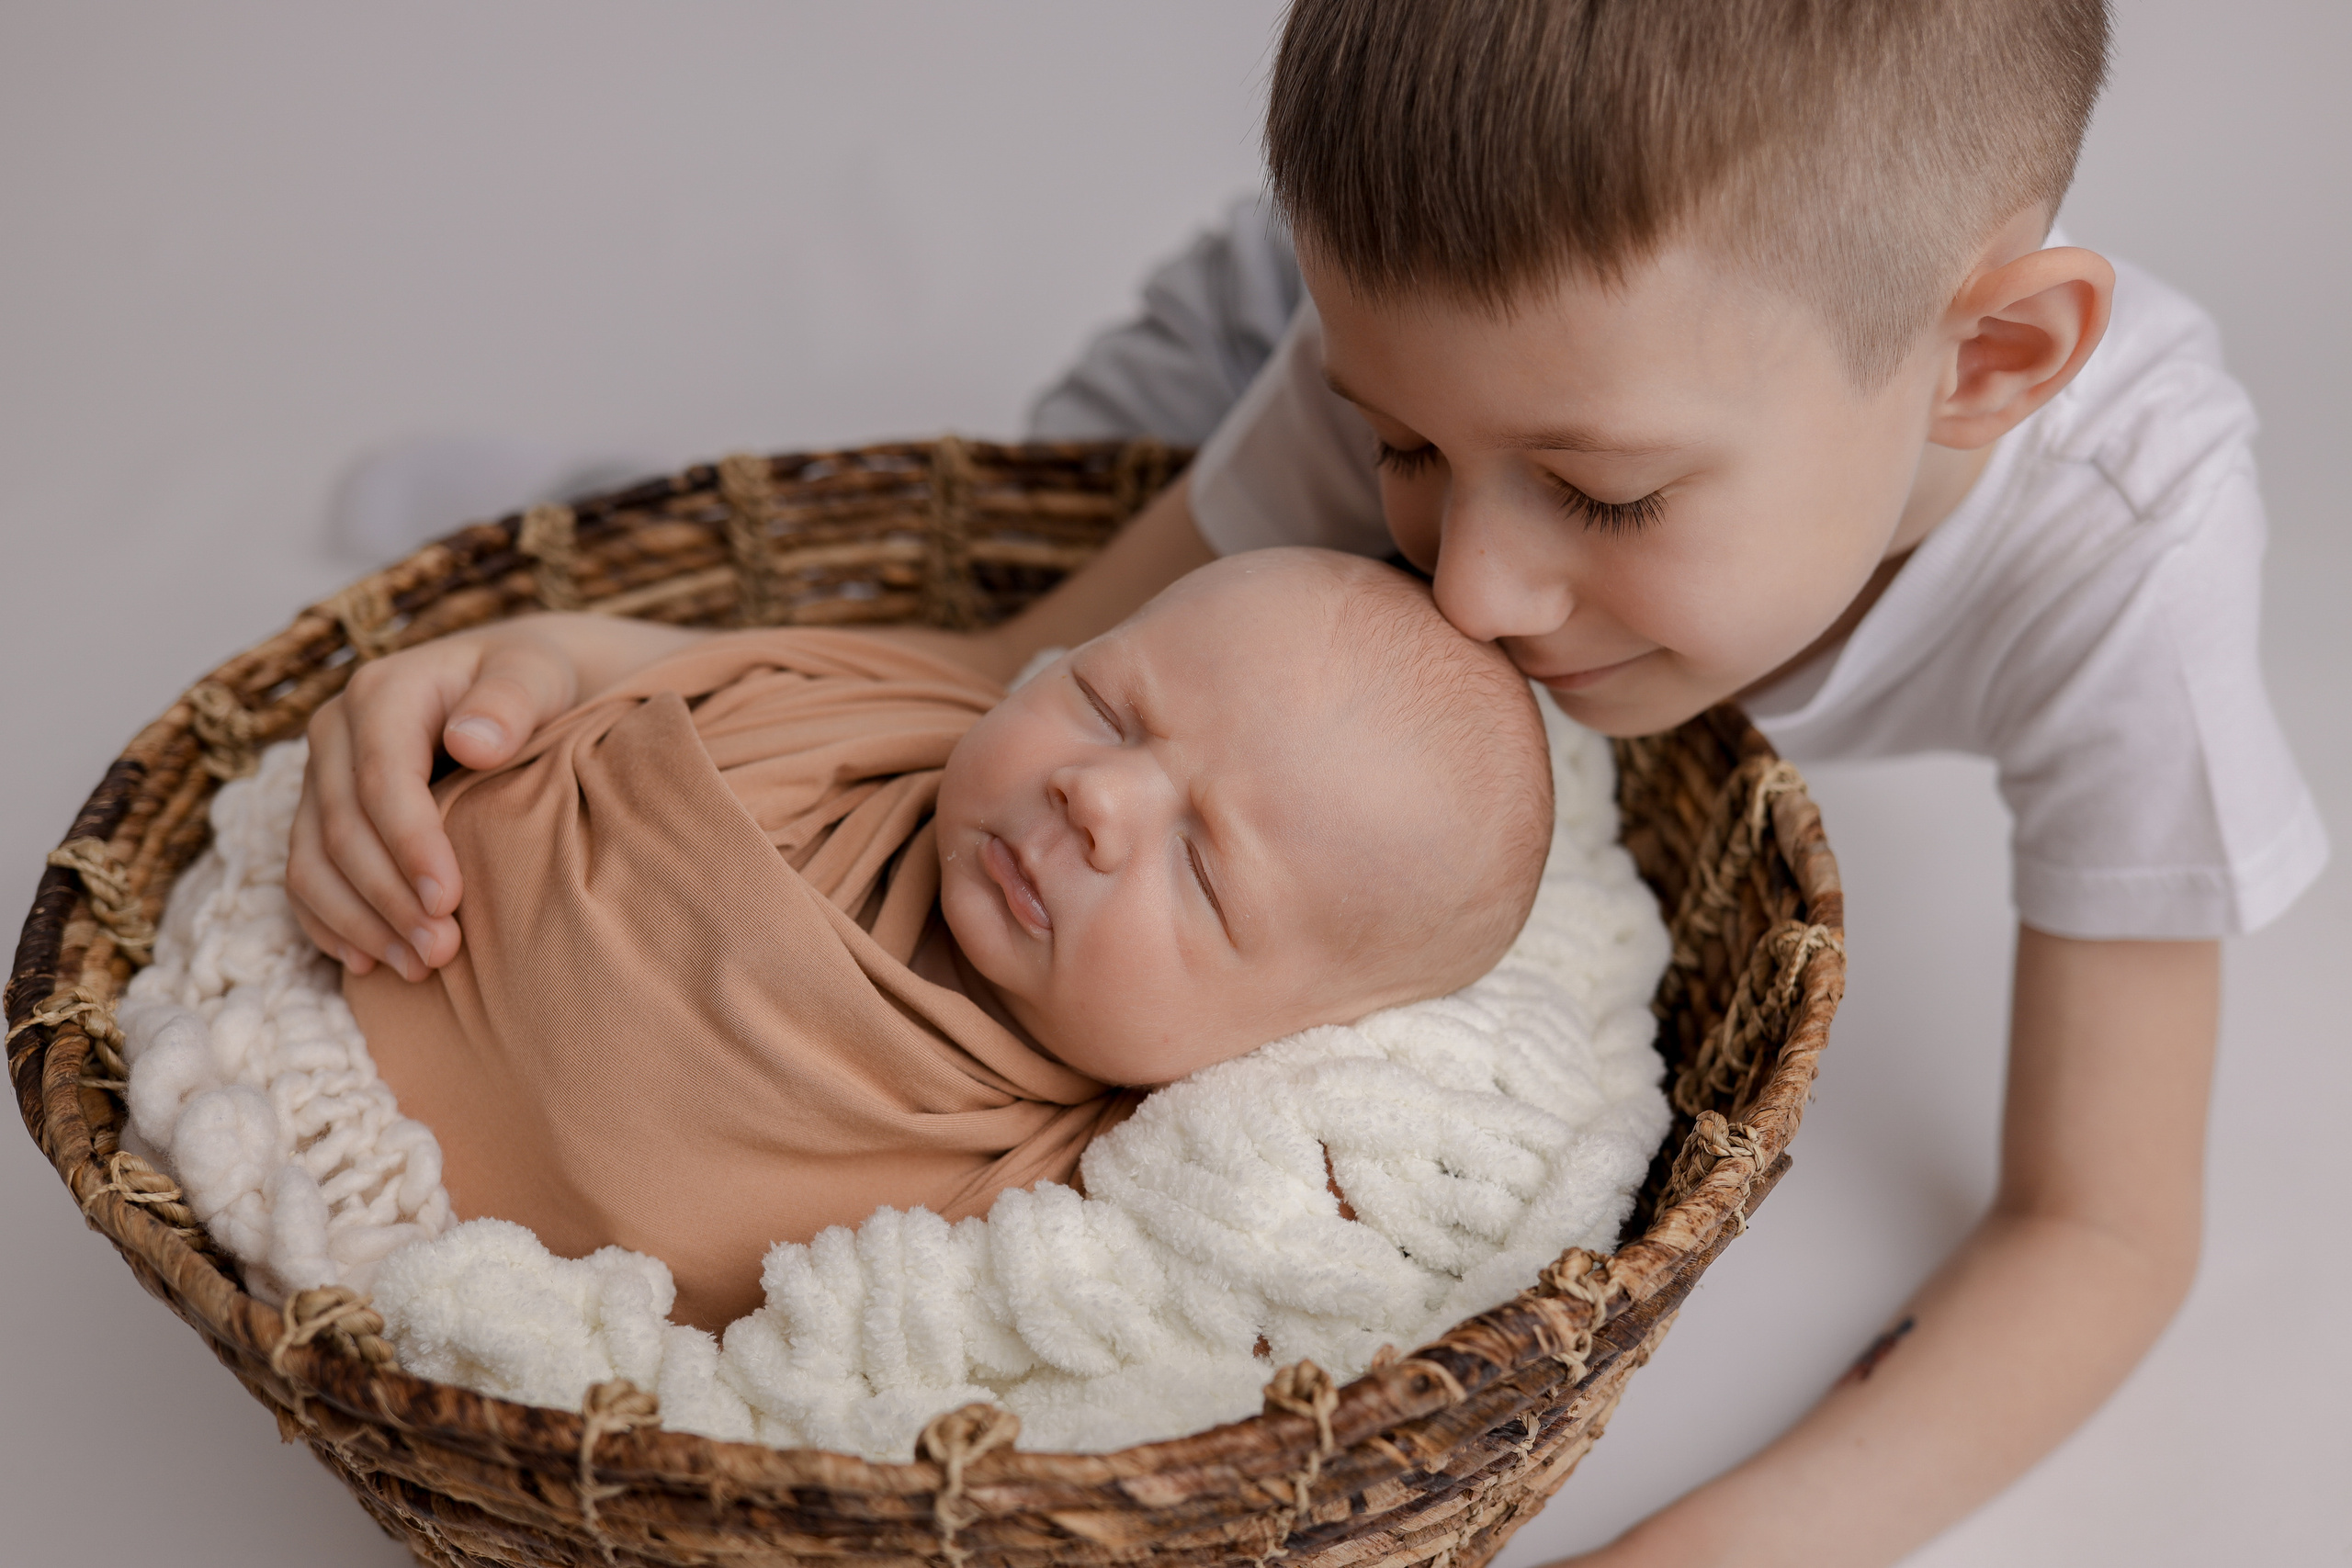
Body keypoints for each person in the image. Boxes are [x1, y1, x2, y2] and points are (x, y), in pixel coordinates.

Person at [290, 0, 2327, 1559]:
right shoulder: (1436, 386)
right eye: (1406, 458)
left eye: (1609, 494)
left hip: (1445, 328)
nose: (1472, 588)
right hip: (1263, 333)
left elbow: (2100, 1234)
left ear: (1989, 364)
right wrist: (584, 666)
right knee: (1017, 608)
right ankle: (609, 494)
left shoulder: (2126, 562)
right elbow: (994, 677)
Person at [331, 548, 1553, 1328]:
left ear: (1274, 1044)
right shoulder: (883, 721)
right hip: (356, 968)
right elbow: (660, 671)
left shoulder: (1062, 1215)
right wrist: (536, 661)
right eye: (1105, 705)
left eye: (1199, 866)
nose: (1097, 794)